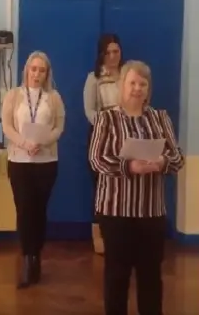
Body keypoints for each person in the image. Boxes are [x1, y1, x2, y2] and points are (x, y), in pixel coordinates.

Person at [89, 60, 184, 315]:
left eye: (143, 84)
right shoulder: (107, 118)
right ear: (123, 85)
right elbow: (97, 159)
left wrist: (162, 161)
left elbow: (177, 158)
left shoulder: (160, 118)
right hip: (116, 212)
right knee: (117, 277)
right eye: (132, 82)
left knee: (151, 277)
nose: (137, 88)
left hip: (151, 213)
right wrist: (129, 167)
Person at [1, 51, 65, 289]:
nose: (37, 74)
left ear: (47, 73)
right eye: (33, 69)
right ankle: (27, 259)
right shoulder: (14, 96)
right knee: (24, 210)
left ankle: (36, 255)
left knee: (39, 211)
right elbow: (7, 126)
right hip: (19, 161)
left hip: (46, 162)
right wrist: (23, 143)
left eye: (42, 70)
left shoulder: (54, 97)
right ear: (26, 70)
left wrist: (44, 141)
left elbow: (59, 127)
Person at [83, 33, 123, 255]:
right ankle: (99, 236)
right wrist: (106, 127)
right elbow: (89, 110)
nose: (112, 56)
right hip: (101, 137)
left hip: (126, 137)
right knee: (100, 187)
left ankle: (120, 235)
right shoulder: (94, 78)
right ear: (101, 54)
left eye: (116, 51)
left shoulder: (128, 75)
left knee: (123, 185)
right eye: (107, 52)